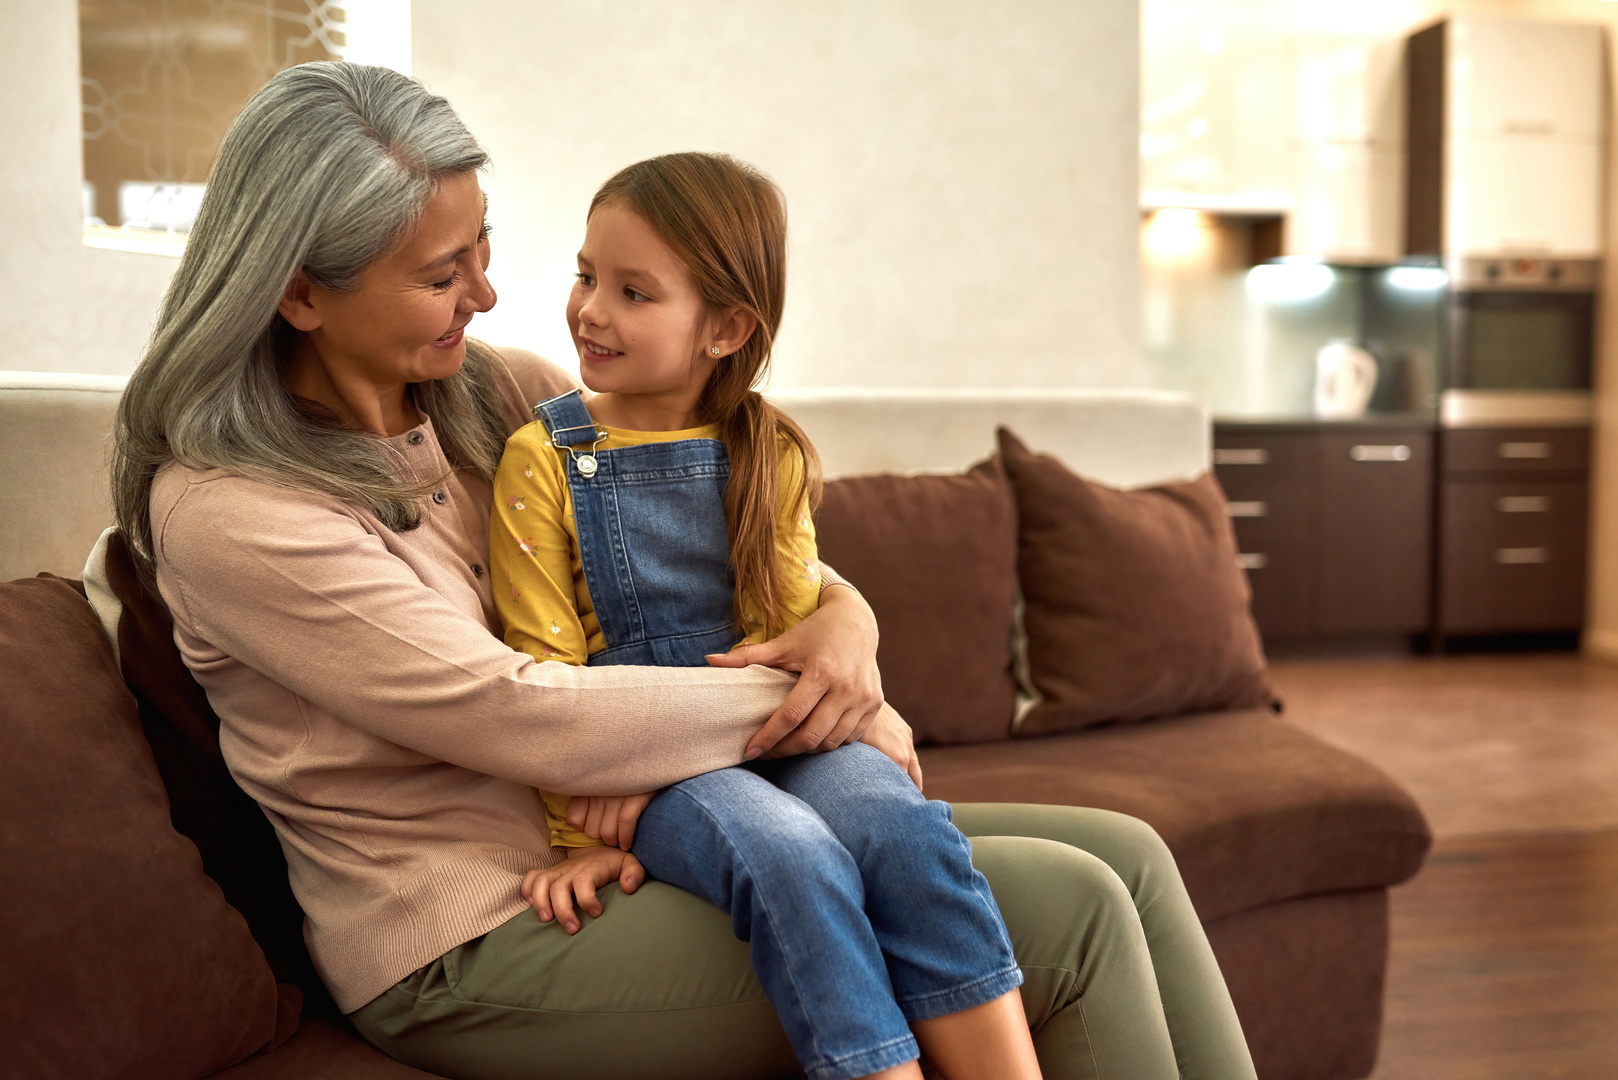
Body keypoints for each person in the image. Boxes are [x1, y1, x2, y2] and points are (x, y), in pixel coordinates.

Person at [108, 60, 1259, 1080]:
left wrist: (846, 636)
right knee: (1073, 914)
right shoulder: (232, 512)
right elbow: (517, 715)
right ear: (299, 293)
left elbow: (748, 545)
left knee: (1129, 856)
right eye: (439, 272)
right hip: (473, 933)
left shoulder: (497, 393)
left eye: (485, 248)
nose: (492, 293)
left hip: (652, 822)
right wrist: (815, 706)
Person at [488, 151, 1041, 1080]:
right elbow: (545, 671)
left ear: (727, 328)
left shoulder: (766, 448)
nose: (590, 308)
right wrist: (582, 835)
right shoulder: (542, 454)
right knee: (789, 856)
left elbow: (794, 635)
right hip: (645, 763)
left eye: (634, 291)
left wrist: (853, 699)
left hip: (776, 727)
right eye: (586, 274)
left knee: (907, 830)